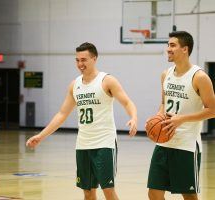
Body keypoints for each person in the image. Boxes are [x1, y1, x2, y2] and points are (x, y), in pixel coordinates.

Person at [26, 42, 137, 200]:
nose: (80, 64)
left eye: (84, 60)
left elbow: (127, 102)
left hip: (104, 144)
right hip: (83, 145)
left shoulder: (107, 81)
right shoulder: (75, 85)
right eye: (77, 60)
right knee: (88, 192)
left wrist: (133, 117)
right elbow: (61, 114)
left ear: (94, 58)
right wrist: (41, 136)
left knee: (108, 190)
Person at [147, 31, 215, 200]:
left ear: (185, 49)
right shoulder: (166, 75)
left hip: (186, 144)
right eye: (168, 45)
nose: (168, 49)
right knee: (154, 193)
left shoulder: (199, 77)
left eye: (172, 45)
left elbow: (212, 110)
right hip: (164, 142)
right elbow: (164, 103)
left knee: (189, 196)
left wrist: (181, 119)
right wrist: (157, 118)